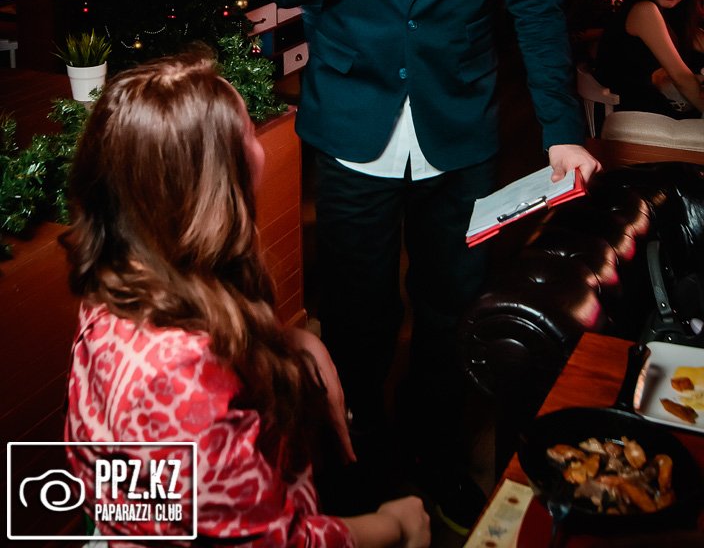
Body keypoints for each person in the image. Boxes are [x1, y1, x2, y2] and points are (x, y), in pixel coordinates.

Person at [266, 0, 599, 527]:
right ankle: (362, 469)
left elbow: (534, 4)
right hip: (352, 127)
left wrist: (561, 127)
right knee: (358, 319)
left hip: (462, 132)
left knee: (454, 314)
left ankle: (438, 460)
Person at [61, 51, 430, 548]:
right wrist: (395, 525)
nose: (260, 148)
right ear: (211, 183)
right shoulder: (178, 375)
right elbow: (275, 544)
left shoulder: (124, 272)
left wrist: (292, 340)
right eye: (249, 134)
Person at [595, 0, 704, 118]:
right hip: (630, 114)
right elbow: (681, 77)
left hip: (648, 107)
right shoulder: (645, 10)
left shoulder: (673, 14)